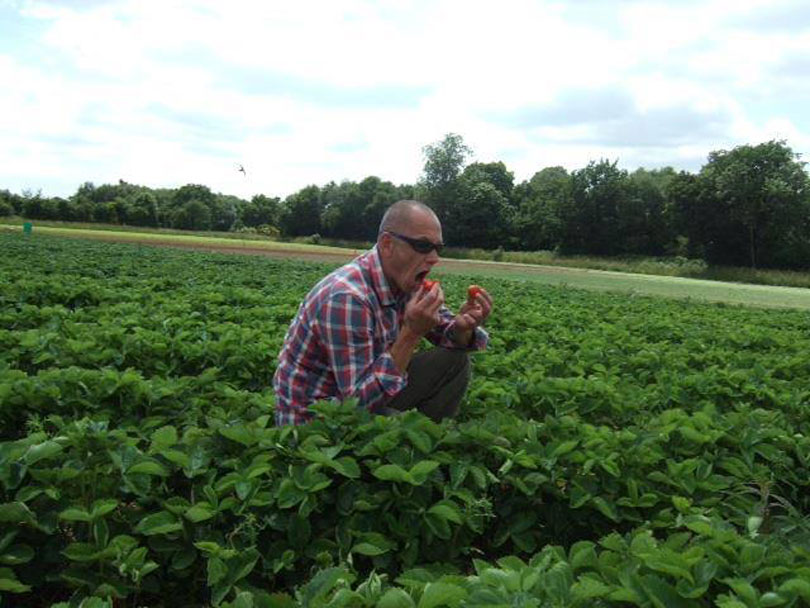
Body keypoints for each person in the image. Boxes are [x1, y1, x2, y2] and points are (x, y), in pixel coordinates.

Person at [273, 199, 492, 425]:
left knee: (454, 361)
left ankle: (426, 442)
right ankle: (404, 447)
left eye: (438, 248)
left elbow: (448, 332)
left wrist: (462, 328)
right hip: (317, 421)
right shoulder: (347, 298)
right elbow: (358, 403)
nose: (435, 258)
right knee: (397, 427)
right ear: (387, 244)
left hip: (361, 394)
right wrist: (411, 333)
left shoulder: (405, 279)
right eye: (423, 246)